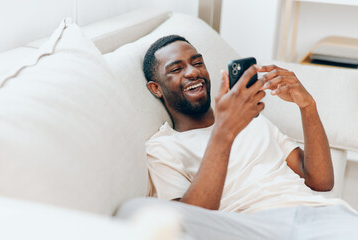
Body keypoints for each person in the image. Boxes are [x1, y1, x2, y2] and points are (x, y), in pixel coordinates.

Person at [132, 34, 358, 238]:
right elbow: (189, 222)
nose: (193, 72)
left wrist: (307, 106)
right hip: (253, 227)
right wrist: (225, 130)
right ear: (156, 89)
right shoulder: (163, 148)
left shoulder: (253, 120)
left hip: (319, 216)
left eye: (198, 62)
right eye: (176, 69)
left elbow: (321, 181)